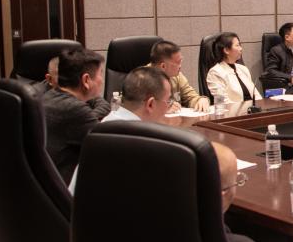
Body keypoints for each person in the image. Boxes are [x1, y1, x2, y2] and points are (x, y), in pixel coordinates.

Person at [69, 66, 172, 194]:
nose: (168, 107)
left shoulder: (101, 127)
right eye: (168, 101)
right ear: (150, 104)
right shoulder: (147, 145)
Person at [41, 48, 111, 184]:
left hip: (46, 184)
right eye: (100, 74)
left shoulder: (48, 96)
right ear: (86, 80)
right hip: (64, 189)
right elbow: (107, 149)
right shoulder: (75, 110)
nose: (102, 81)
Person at [148, 40, 210, 112]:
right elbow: (141, 109)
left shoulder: (177, 76)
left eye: (181, 61)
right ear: (163, 66)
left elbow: (190, 96)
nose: (180, 66)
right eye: (178, 62)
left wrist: (200, 100)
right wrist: (161, 109)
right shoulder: (143, 80)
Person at [205, 32, 262, 104]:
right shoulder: (215, 72)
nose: (241, 48)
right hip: (233, 110)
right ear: (226, 50)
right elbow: (223, 102)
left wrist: (262, 106)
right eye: (237, 45)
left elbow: (256, 95)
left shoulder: (243, 69)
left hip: (253, 109)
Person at [263, 22, 293, 89]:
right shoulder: (276, 51)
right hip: (285, 86)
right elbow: (271, 70)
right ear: (287, 37)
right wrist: (290, 78)